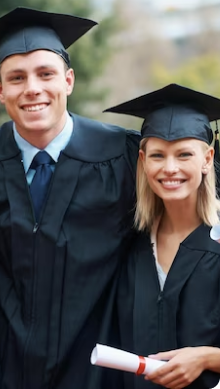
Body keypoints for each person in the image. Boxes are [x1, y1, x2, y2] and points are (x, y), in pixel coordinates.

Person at [0, 7, 141, 389]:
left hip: (98, 369)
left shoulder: (124, 155)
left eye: (45, 74)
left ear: (68, 80)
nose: (32, 88)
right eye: (16, 78)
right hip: (2, 367)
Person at [106, 84, 220, 389]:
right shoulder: (131, 242)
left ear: (207, 159)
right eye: (158, 155)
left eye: (184, 154)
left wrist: (208, 358)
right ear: (143, 160)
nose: (170, 168)